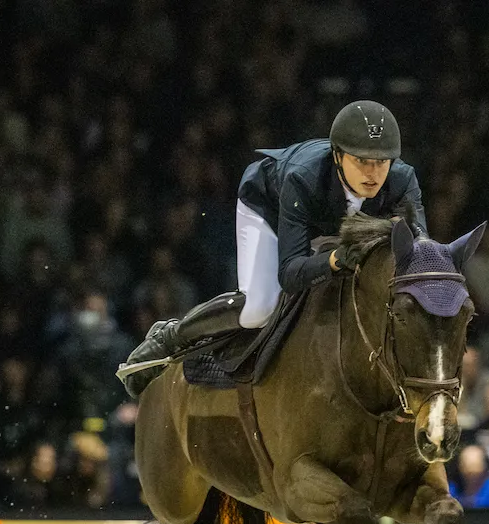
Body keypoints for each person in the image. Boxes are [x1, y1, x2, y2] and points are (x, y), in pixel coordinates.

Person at [118, 101, 425, 398]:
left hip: (334, 224)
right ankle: (172, 336)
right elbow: (291, 273)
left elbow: (422, 250)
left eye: (381, 162)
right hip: (267, 208)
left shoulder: (403, 179)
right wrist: (335, 259)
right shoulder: (302, 177)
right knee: (259, 308)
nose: (372, 173)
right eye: (361, 161)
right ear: (337, 155)